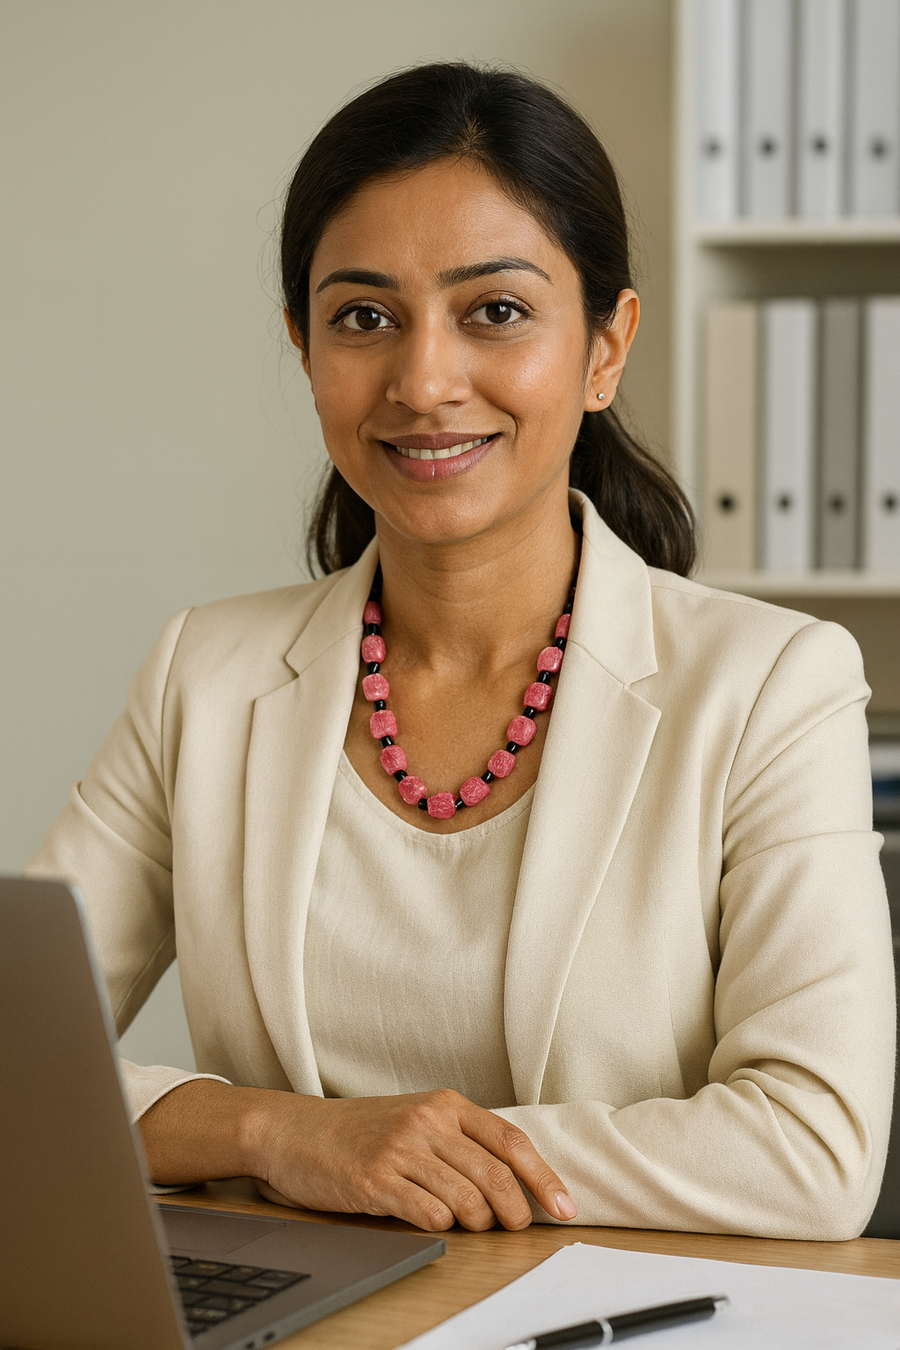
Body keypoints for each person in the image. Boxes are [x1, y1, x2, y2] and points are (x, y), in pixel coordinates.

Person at [27, 62, 895, 1240]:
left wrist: (409, 1157)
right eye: (364, 318)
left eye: (495, 311)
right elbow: (21, 1059)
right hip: (309, 1316)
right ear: (305, 350)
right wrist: (278, 1137)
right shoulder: (205, 674)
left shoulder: (771, 688)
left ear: (605, 348)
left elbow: (814, 1148)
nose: (424, 381)